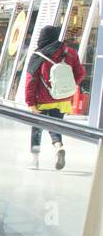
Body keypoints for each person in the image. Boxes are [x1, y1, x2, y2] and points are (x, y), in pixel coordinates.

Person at [25, 24, 84, 170]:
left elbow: (31, 80)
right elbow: (81, 73)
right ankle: (58, 147)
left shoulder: (39, 55)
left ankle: (34, 159)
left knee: (37, 129)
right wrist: (69, 87)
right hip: (63, 100)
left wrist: (30, 102)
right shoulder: (70, 52)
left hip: (42, 100)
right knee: (55, 126)